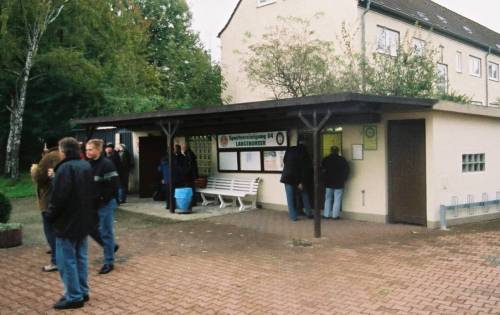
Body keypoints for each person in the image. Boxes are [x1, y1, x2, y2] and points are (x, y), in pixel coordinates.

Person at [47, 137, 94, 309]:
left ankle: (74, 296)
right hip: (82, 220)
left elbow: (59, 198)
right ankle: (82, 291)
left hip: (67, 222)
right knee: (80, 257)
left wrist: (50, 216)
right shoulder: (85, 165)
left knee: (66, 260)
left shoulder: (65, 168)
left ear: (63, 151)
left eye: (59, 150)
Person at [86, 139, 120, 274]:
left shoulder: (107, 164)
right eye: (86, 149)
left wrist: (102, 197)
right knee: (89, 227)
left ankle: (109, 262)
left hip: (105, 203)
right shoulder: (87, 164)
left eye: (90, 149)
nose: (87, 152)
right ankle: (111, 246)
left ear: (98, 150)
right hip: (92, 204)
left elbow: (114, 184)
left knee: (106, 232)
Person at [31, 137, 61, 272]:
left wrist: (34, 169)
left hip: (48, 200)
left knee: (50, 230)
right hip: (62, 200)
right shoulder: (63, 155)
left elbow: (39, 179)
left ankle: (56, 261)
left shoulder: (48, 157)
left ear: (46, 146)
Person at [280, 143, 313, 221]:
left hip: (287, 177)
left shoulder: (289, 151)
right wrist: (301, 182)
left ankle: (293, 216)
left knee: (290, 198)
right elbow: (305, 170)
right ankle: (309, 213)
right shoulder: (304, 154)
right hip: (297, 178)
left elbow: (284, 161)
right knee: (304, 194)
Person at [321, 146, 350, 220]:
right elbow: (347, 170)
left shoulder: (326, 159)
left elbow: (322, 170)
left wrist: (324, 179)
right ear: (338, 151)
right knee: (337, 199)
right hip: (339, 183)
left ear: (330, 151)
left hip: (328, 183)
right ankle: (335, 216)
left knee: (328, 199)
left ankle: (326, 215)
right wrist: (344, 179)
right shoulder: (342, 160)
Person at [182, 143, 198, 208]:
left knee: (189, 189)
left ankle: (192, 202)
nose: (182, 149)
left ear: (186, 148)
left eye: (183, 148)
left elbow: (189, 166)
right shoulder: (190, 154)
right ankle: (193, 201)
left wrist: (185, 173)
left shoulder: (189, 155)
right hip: (191, 175)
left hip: (189, 176)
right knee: (191, 189)